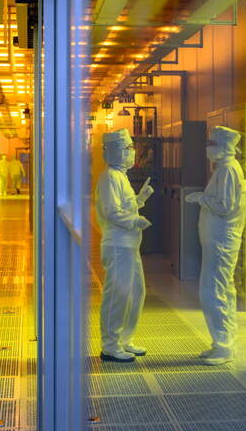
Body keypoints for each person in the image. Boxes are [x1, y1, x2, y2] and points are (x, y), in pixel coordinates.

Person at [185, 126, 246, 366]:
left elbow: (226, 208)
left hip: (222, 242)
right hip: (217, 243)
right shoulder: (223, 170)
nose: (208, 148)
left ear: (225, 147)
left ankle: (224, 346)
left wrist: (201, 198)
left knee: (213, 292)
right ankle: (221, 342)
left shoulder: (230, 170)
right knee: (219, 290)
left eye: (212, 143)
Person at [95, 129, 154, 362]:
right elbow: (112, 212)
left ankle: (125, 340)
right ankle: (110, 345)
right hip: (118, 245)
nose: (132, 152)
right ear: (115, 152)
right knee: (118, 295)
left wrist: (141, 199)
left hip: (130, 245)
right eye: (128, 148)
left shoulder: (120, 176)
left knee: (135, 293)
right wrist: (135, 220)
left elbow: (124, 207)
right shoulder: (110, 176)